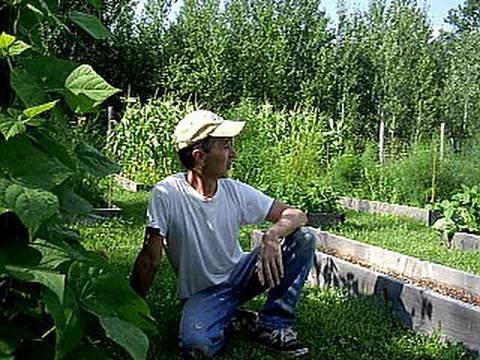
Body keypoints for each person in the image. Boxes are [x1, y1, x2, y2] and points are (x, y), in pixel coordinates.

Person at [130, 110, 317, 358]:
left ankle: (273, 325)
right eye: (226, 147)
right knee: (197, 348)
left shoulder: (234, 190)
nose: (234, 154)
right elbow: (149, 260)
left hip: (243, 274)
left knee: (303, 238)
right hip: (203, 293)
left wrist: (272, 235)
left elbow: (296, 214)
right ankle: (228, 317)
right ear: (199, 156)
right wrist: (129, 308)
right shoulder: (167, 194)